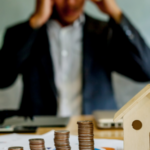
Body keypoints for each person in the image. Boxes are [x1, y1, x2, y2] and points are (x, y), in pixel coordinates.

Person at [0, 0, 150, 119]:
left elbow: (146, 70)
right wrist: (35, 21)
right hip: (40, 131)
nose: (70, 2)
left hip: (96, 132)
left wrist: (116, 13)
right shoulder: (21, 34)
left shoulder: (105, 32)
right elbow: (3, 79)